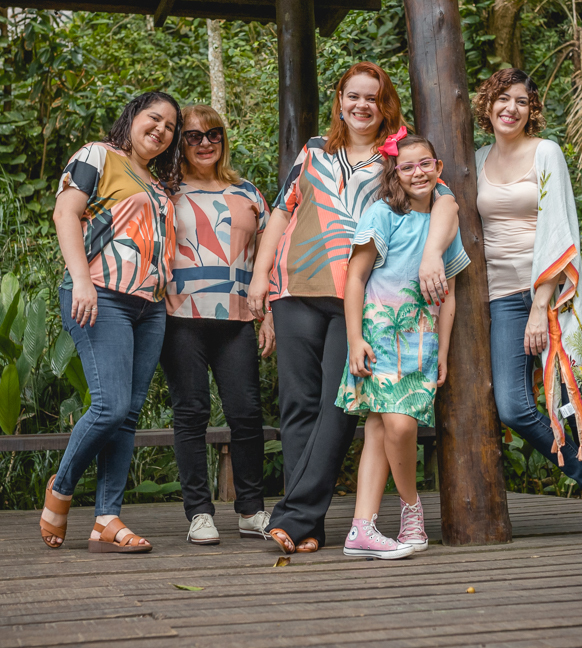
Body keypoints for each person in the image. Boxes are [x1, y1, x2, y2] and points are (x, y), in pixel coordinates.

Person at [247, 61, 460, 554]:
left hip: (355, 299)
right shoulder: (314, 151)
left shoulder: (395, 157)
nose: (362, 105)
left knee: (339, 409)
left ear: (385, 105)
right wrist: (260, 277)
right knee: (297, 407)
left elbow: (444, 200)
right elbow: (283, 210)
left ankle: (293, 516)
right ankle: (307, 526)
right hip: (295, 287)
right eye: (353, 96)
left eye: (373, 97)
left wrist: (431, 254)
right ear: (339, 100)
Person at [473, 68, 582, 542]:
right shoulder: (477, 158)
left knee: (574, 397)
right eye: (502, 98)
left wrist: (539, 303)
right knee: (513, 408)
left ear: (532, 111)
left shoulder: (546, 153)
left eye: (521, 102)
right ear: (488, 104)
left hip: (552, 294)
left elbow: (557, 225)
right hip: (501, 297)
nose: (511, 108)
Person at [39, 90, 182, 554]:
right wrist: (80, 280)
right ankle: (61, 488)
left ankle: (106, 517)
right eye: (154, 119)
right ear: (133, 117)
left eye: (170, 127)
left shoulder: (159, 186)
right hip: (100, 296)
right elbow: (66, 212)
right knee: (110, 406)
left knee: (128, 416)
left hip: (150, 307)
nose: (161, 130)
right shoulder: (98, 155)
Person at [338, 131, 469, 559]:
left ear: (438, 168)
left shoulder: (444, 218)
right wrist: (354, 338)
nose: (417, 172)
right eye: (408, 165)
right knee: (398, 426)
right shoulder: (382, 214)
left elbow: (447, 294)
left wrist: (444, 352)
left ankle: (362, 528)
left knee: (380, 428)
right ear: (396, 171)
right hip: (379, 331)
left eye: (425, 164)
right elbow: (355, 278)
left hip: (423, 340)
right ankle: (412, 508)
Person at [161, 104, 275, 545]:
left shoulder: (248, 192)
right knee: (191, 413)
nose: (204, 143)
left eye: (213, 134)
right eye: (192, 136)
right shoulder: (165, 191)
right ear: (179, 143)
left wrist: (271, 319)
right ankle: (199, 514)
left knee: (246, 413)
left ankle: (250, 510)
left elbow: (270, 263)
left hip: (238, 318)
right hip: (180, 318)